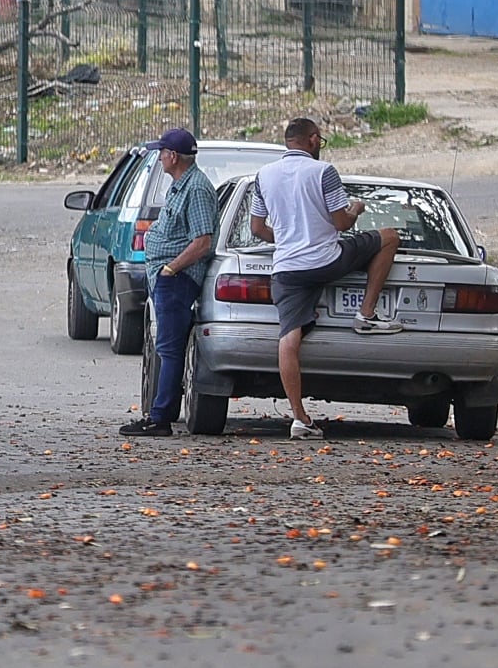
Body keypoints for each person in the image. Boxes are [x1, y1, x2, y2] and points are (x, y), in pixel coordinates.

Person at [244, 116, 402, 439]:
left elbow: (257, 228)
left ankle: (300, 418)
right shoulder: (323, 171)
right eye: (321, 141)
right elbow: (342, 224)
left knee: (288, 339)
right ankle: (366, 313)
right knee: (389, 236)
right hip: (327, 261)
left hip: (287, 269)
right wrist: (356, 209)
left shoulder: (263, 176)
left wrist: (291, 238)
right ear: (313, 140)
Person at [118, 127, 220, 437]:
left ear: (173, 156)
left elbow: (203, 240)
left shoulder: (197, 188)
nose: (159, 157)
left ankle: (160, 417)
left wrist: (171, 269)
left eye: (162, 152)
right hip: (166, 278)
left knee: (170, 348)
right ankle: (159, 412)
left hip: (177, 280)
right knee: (165, 346)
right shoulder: (179, 185)